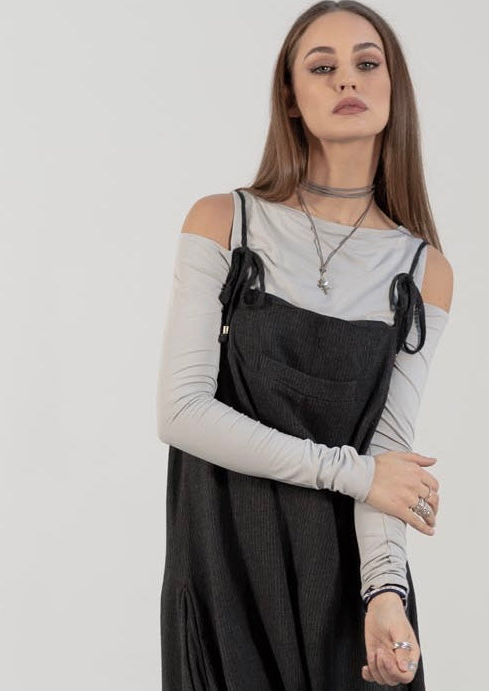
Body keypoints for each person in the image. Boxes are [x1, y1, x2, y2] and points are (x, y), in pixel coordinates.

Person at [155, 3, 453, 690]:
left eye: (366, 62)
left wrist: (386, 594)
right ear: (289, 97)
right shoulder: (224, 223)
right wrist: (354, 474)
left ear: (393, 87)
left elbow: (388, 451)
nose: (347, 78)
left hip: (345, 595)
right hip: (224, 569)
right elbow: (181, 411)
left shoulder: (422, 271)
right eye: (322, 67)